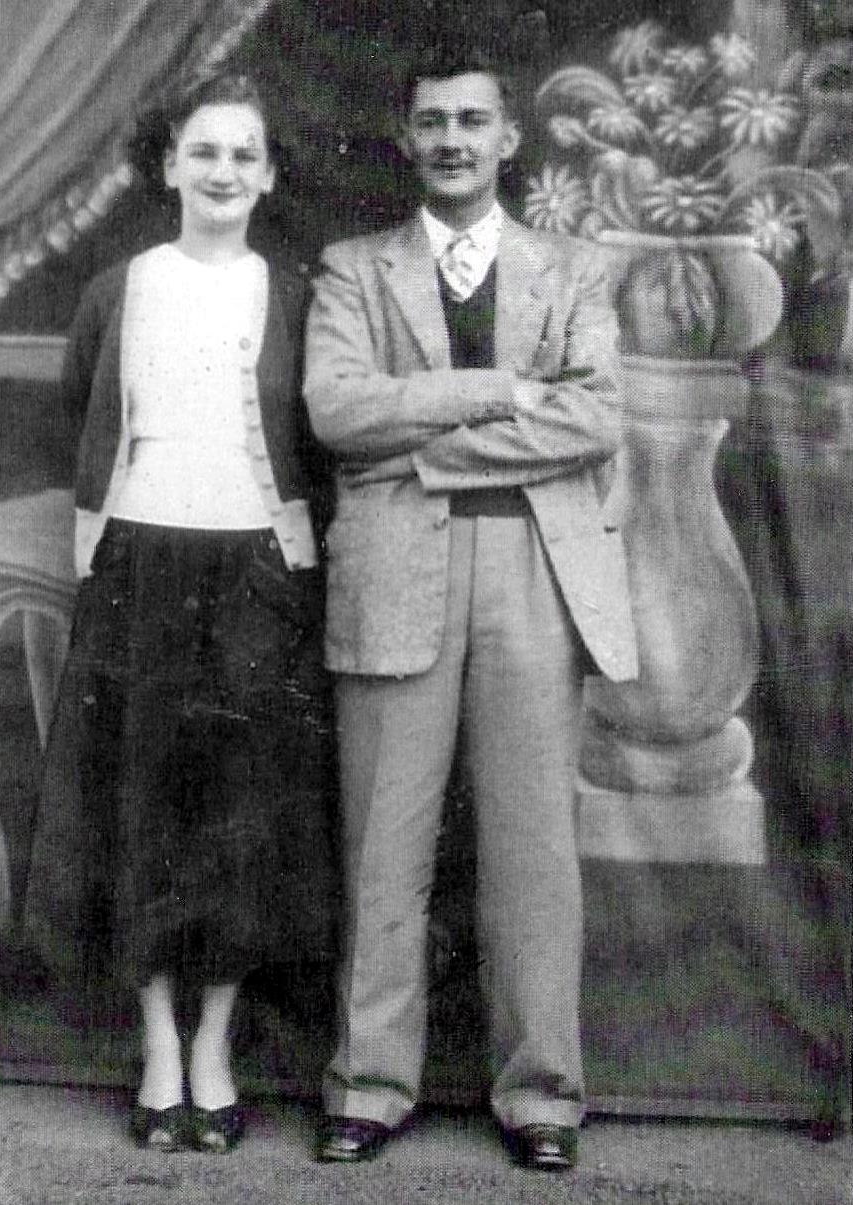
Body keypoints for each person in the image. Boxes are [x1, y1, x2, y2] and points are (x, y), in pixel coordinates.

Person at [304, 48, 638, 1171]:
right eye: (432, 121)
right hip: (393, 570)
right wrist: (497, 391)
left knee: (533, 848)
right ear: (406, 137)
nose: (451, 139)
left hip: (534, 570)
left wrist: (426, 453)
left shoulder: (573, 269)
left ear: (507, 139)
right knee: (382, 846)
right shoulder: (353, 268)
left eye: (471, 120)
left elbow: (593, 419)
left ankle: (541, 1095)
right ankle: (367, 1085)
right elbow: (338, 410)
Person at [49, 72, 333, 1155]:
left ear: (268, 175)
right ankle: (158, 1046)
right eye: (202, 150)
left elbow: (312, 437)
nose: (222, 170)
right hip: (138, 563)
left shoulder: (295, 294)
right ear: (168, 165)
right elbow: (82, 408)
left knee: (240, 812)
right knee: (143, 808)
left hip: (257, 567)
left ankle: (215, 1044)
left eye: (242, 154)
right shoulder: (118, 290)